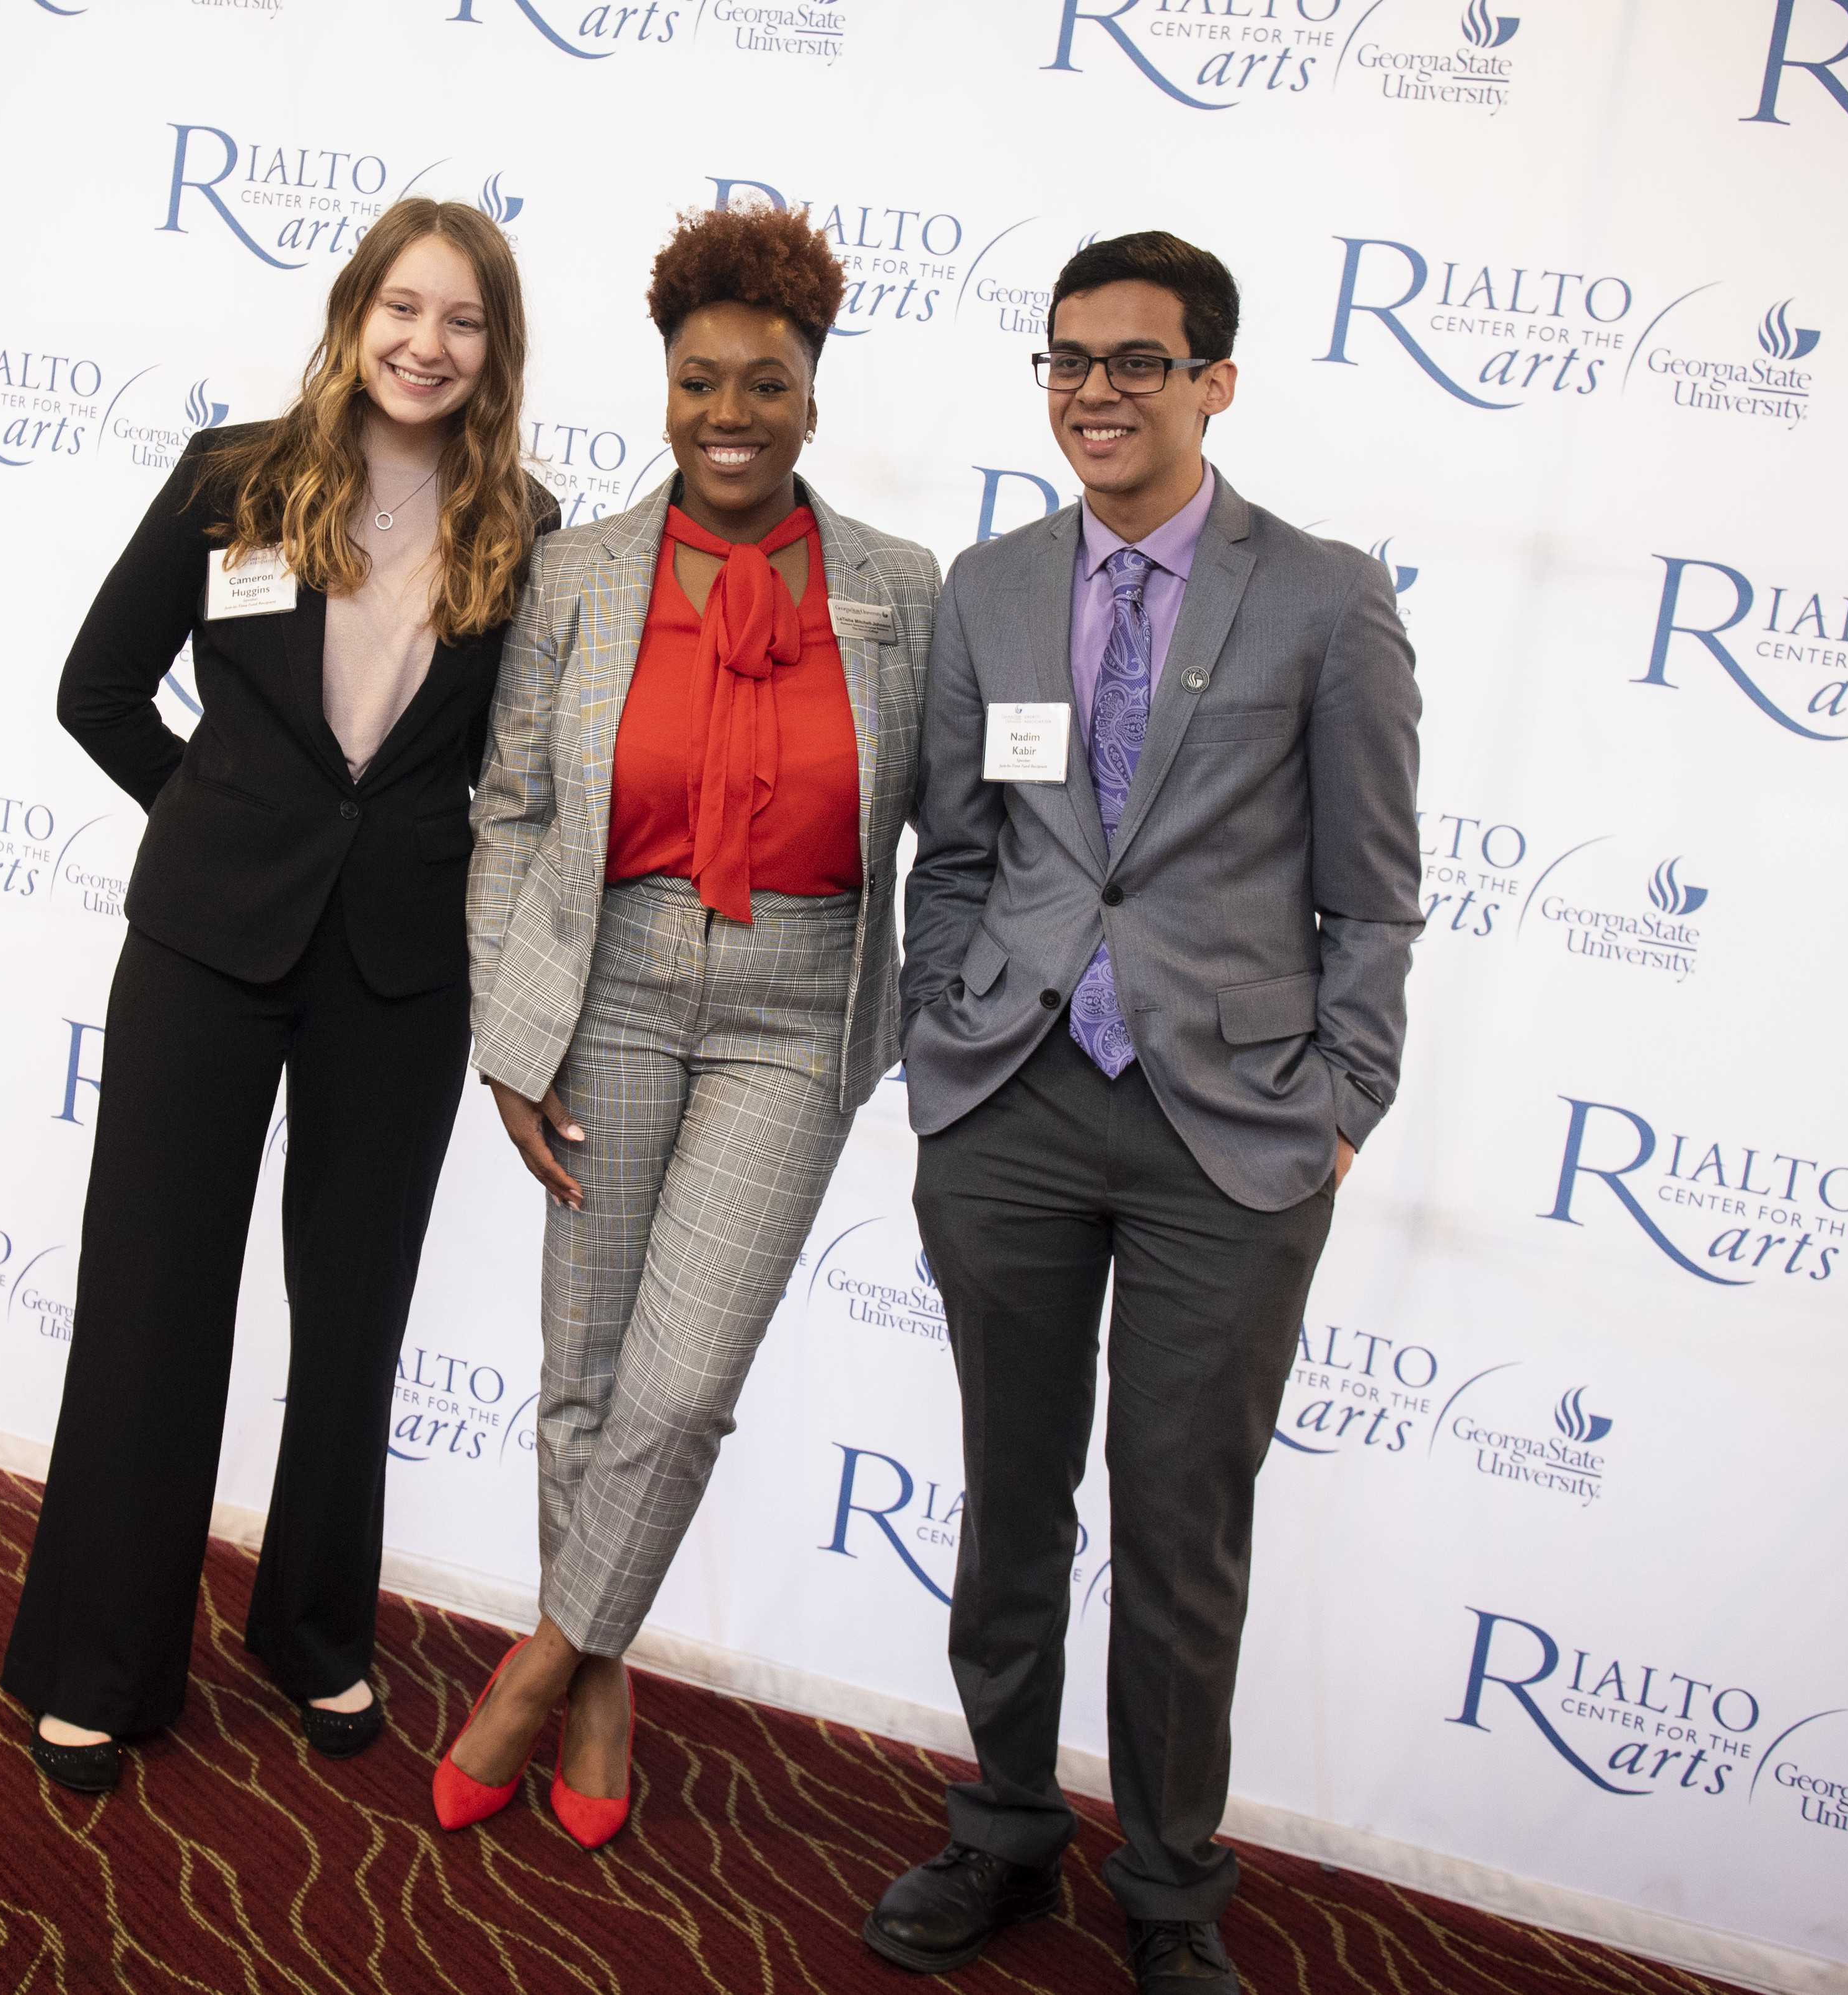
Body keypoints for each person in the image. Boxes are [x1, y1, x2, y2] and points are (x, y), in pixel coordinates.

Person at [862, 232, 1421, 1987]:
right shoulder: (992, 584)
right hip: (1014, 1104)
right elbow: (951, 853)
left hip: (1229, 1136)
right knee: (1011, 1500)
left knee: (1184, 1534)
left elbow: (1376, 890)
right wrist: (949, 1038)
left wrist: (1342, 1101)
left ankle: (1173, 1890)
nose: (1094, 390)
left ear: (1215, 383)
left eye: (1136, 361)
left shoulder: (1325, 597)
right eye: (1066, 360)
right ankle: (1006, 1824)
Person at [2, 198, 554, 1796]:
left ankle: (313, 1632)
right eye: (401, 307)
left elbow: (511, 773)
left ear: (493, 350)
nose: (425, 344)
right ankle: (96, 1659)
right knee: (151, 1298)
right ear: (350, 313)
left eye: (461, 321)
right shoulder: (232, 480)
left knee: (354, 1312)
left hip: (398, 967)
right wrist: (216, 814)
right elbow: (93, 690)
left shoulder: (525, 521)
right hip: (206, 947)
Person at [455, 205, 939, 1850]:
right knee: (585, 1367)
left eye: (766, 381)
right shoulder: (582, 572)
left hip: (798, 1006)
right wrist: (507, 1029)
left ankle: (535, 1660)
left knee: (682, 1382)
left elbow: (959, 821)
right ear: (664, 388)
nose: (729, 411)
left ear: (815, 394)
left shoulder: (899, 589)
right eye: (699, 380)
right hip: (612, 983)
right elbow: (513, 807)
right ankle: (600, 1680)